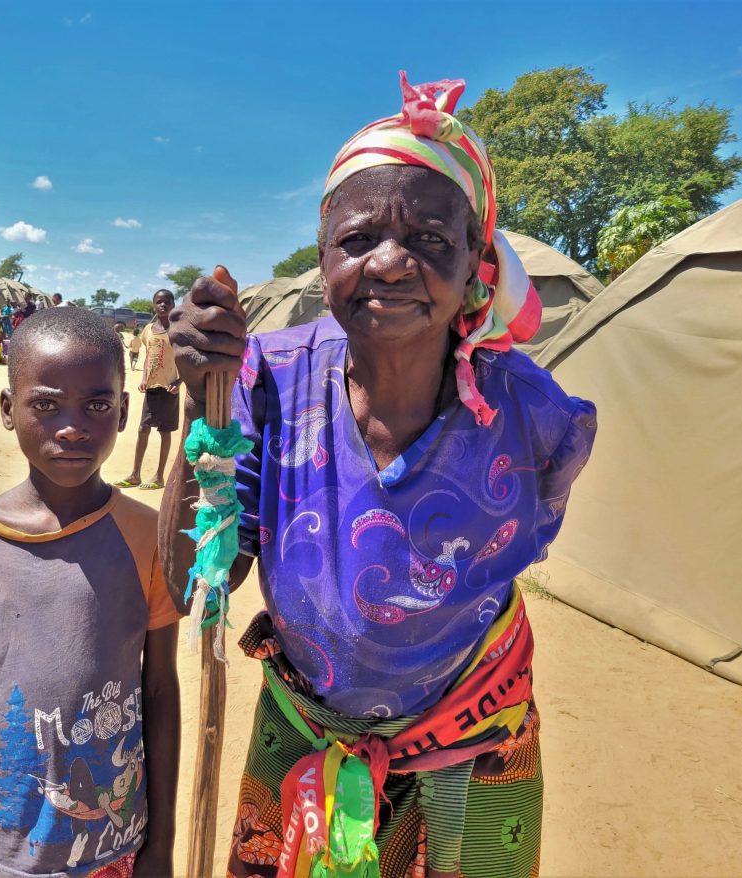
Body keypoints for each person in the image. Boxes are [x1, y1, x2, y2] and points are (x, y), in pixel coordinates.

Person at [160, 73, 597, 878]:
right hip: (302, 733)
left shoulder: (531, 415)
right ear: (323, 259)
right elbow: (192, 579)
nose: (390, 263)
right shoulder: (267, 381)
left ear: (477, 265)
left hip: (472, 742)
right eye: (358, 240)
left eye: (431, 241)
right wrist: (207, 413)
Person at [0, 307, 181, 878]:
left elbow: (159, 689)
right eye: (45, 404)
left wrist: (161, 844)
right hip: (6, 846)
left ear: (123, 410)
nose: (72, 427)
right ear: (10, 411)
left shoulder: (147, 538)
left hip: (117, 847)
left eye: (97, 405)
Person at [115, 290, 179, 490]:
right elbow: (148, 356)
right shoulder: (149, 330)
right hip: (151, 388)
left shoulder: (178, 331)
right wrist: (144, 379)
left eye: (167, 302)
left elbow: (185, 360)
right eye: (159, 302)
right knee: (143, 429)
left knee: (165, 431)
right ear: (153, 305)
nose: (163, 305)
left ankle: (159, 476)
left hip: (169, 389)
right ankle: (135, 474)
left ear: (173, 305)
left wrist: (180, 382)